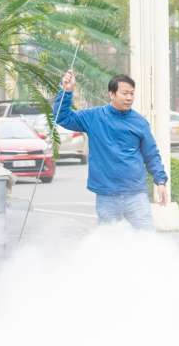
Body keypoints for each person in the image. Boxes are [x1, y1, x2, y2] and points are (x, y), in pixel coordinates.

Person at [53, 72, 167, 230]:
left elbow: (151, 155)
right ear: (112, 94)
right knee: (109, 242)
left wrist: (160, 181)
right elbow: (62, 117)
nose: (129, 98)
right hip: (106, 195)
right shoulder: (93, 117)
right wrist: (67, 91)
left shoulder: (140, 123)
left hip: (136, 194)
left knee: (146, 237)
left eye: (132, 94)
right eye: (125, 93)